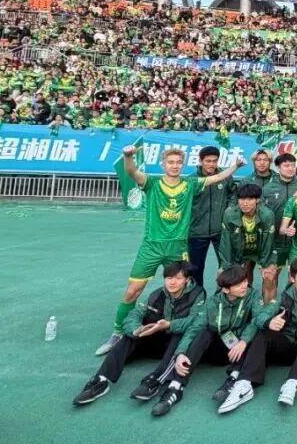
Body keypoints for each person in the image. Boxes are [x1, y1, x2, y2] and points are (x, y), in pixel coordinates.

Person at [96, 145, 241, 356]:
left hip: (177, 247)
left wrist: (235, 166)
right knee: (133, 290)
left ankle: (182, 328)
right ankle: (118, 332)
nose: (174, 166)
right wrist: (128, 156)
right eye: (170, 162)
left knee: (185, 289)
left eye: (178, 162)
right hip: (152, 245)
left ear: (183, 165)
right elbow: (131, 171)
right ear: (163, 164)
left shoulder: (190, 184)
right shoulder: (152, 183)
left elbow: (217, 177)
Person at [218, 258, 297, 413]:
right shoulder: (284, 296)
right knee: (264, 333)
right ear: (292, 278)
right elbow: (260, 317)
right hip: (287, 347)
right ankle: (244, 384)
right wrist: (269, 322)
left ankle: (292, 383)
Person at [73, 261, 205, 406]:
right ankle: (101, 380)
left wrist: (169, 325)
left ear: (187, 280)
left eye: (178, 278)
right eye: (168, 278)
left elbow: (195, 322)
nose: (172, 282)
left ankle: (154, 380)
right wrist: (136, 330)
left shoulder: (197, 294)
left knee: (179, 333)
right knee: (129, 335)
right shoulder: (157, 294)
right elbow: (134, 314)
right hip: (157, 343)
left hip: (179, 347)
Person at [150, 264, 272, 417]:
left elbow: (256, 319)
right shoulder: (212, 303)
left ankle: (233, 379)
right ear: (225, 289)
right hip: (217, 349)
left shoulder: (252, 295)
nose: (244, 286)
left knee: (255, 331)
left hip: (239, 350)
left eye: (245, 281)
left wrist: (243, 341)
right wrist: (180, 353)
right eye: (238, 284)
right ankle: (175, 387)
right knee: (204, 332)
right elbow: (194, 328)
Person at [187, 145, 237, 287]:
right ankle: (197, 296)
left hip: (221, 230)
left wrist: (230, 209)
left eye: (214, 161)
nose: (211, 164)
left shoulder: (226, 177)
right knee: (195, 268)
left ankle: (224, 295)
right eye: (208, 161)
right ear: (200, 161)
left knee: (226, 266)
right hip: (197, 232)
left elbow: (233, 194)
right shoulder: (192, 180)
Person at [260, 153, 297, 300]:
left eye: (293, 165)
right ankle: (268, 308)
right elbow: (261, 215)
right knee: (270, 278)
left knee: (296, 279)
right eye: (286, 165)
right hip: (275, 242)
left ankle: (291, 309)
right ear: (278, 167)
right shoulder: (268, 188)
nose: (290, 168)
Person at [218, 183, 275, 284]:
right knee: (225, 277)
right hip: (239, 250)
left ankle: (266, 296)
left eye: (249, 199)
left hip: (259, 250)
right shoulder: (229, 214)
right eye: (242, 199)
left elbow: (267, 243)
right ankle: (245, 291)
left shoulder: (267, 215)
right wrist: (226, 267)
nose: (245, 203)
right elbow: (225, 243)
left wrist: (265, 265)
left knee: (269, 276)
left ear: (257, 200)